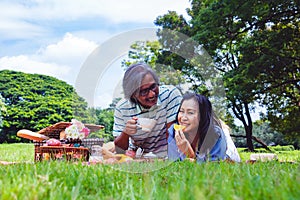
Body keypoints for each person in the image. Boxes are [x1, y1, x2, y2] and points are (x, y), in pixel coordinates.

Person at [113, 63, 182, 157]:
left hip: (168, 155)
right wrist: (126, 132)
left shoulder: (170, 95)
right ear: (132, 94)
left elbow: (172, 134)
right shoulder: (122, 108)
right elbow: (119, 150)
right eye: (144, 91)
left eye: (153, 86)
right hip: (138, 156)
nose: (152, 94)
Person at [168, 92, 240, 163]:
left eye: (190, 113)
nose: (183, 118)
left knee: (224, 134)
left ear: (202, 116)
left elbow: (213, 166)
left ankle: (224, 129)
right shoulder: (173, 131)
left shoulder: (215, 134)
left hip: (228, 153)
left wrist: (189, 153)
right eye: (181, 111)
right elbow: (174, 162)